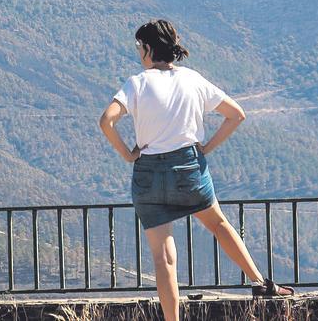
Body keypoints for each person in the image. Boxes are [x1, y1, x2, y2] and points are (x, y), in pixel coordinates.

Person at [99, 19, 292, 321]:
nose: (138, 53)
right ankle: (259, 282)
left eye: (139, 47)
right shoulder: (192, 80)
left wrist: (128, 153)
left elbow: (106, 121)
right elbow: (236, 115)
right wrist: (206, 147)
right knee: (218, 225)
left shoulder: (136, 83)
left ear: (149, 49)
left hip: (148, 172)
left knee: (164, 259)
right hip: (188, 167)